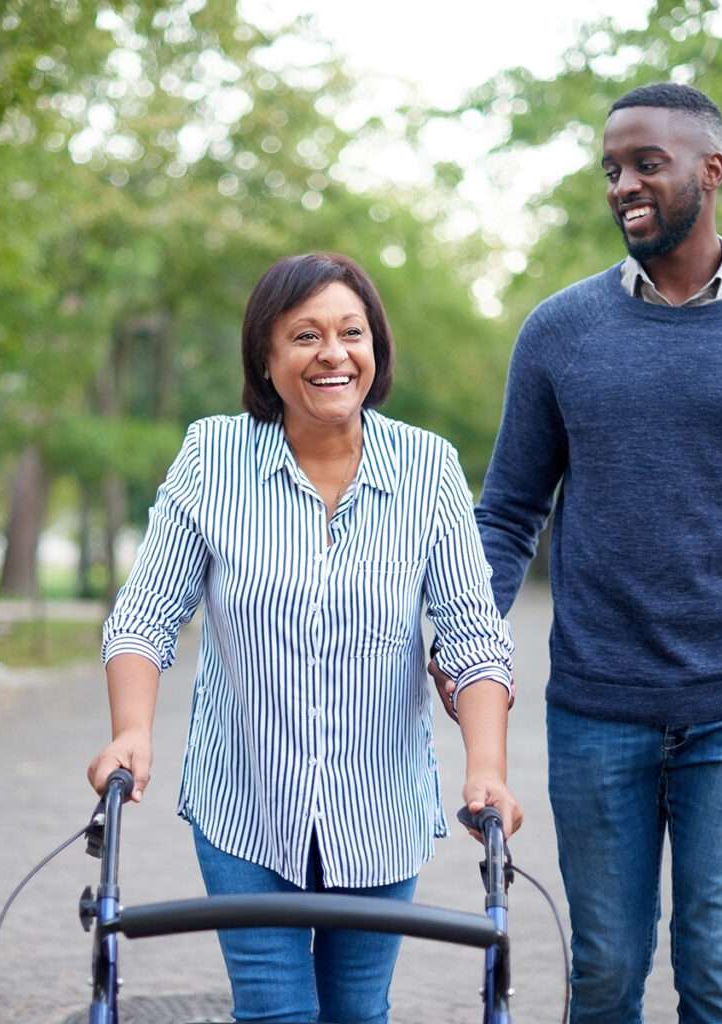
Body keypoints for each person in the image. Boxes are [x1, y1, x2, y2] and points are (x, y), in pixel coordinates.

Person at [432, 83, 722, 1023]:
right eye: (612, 168)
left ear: (710, 171)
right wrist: (466, 644)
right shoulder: (559, 333)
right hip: (598, 708)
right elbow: (507, 513)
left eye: (647, 163)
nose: (625, 185)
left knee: (717, 972)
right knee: (604, 972)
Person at [88, 251, 522, 1024]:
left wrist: (485, 769)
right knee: (274, 1012)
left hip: (377, 808)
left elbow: (472, 635)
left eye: (351, 332)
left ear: (375, 349)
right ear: (267, 355)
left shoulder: (428, 468)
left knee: (359, 1012)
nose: (333, 353)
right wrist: (131, 733)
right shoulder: (212, 456)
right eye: (305, 335)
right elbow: (147, 614)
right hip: (246, 802)